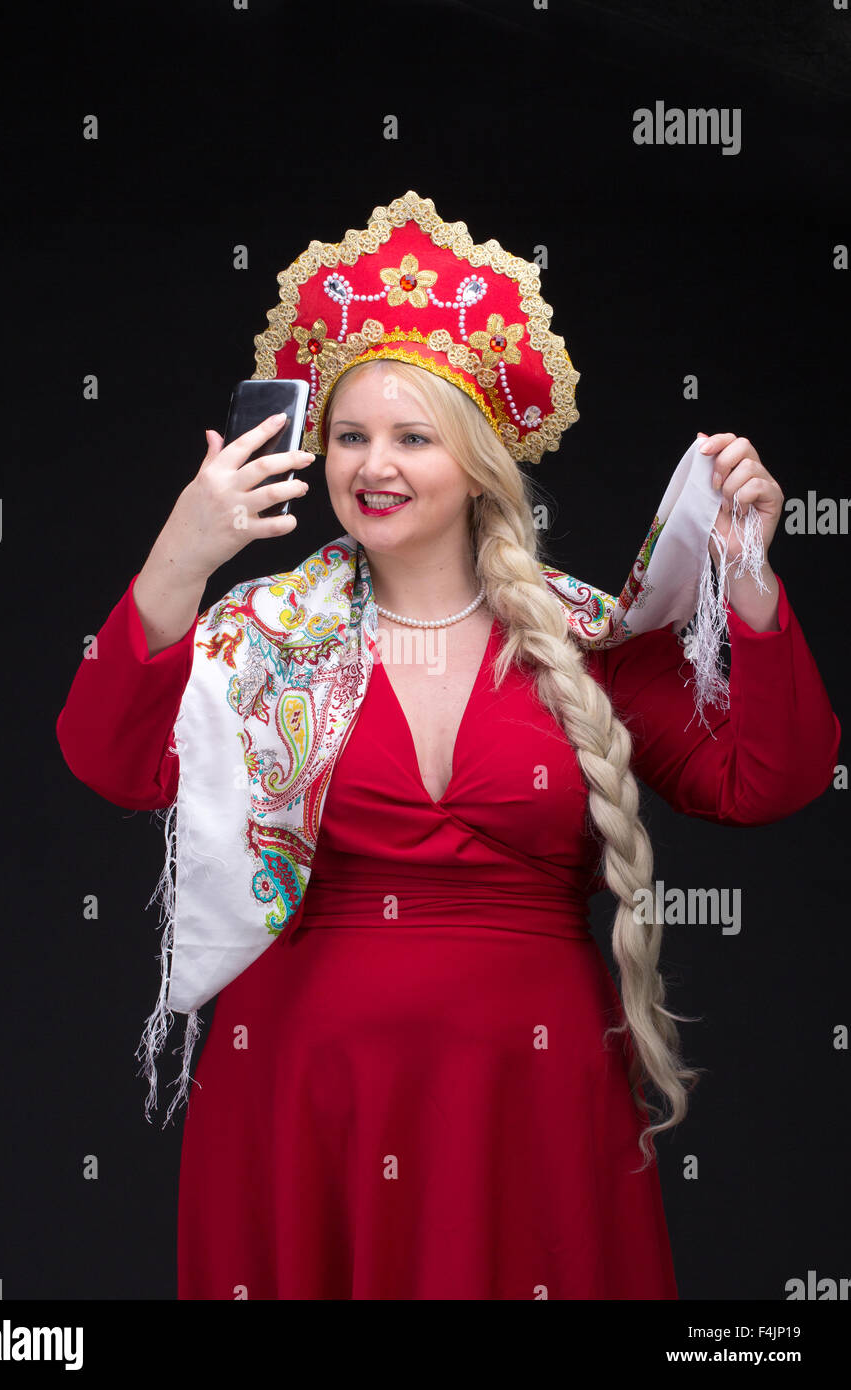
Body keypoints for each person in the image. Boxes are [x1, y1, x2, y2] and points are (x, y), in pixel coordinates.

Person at [56, 191, 840, 1300]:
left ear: (476, 462)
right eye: (350, 435)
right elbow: (106, 758)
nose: (372, 464)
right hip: (301, 1098)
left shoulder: (590, 638)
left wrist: (749, 578)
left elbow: (767, 778)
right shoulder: (261, 637)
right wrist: (181, 558)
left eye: (412, 437)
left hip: (531, 1100)